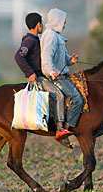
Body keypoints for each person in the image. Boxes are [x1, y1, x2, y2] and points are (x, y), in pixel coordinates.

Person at [14, 12, 73, 141]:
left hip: (42, 76)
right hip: (39, 77)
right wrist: (30, 73)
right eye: (42, 24)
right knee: (58, 95)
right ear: (38, 25)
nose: (43, 27)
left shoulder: (35, 40)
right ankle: (59, 128)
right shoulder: (30, 40)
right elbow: (19, 56)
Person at [40, 8, 84, 134]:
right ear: (57, 21)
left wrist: (71, 60)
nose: (64, 24)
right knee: (77, 99)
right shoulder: (50, 36)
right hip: (55, 77)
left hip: (60, 75)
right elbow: (46, 57)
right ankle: (66, 129)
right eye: (63, 21)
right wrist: (52, 72)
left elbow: (63, 58)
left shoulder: (57, 36)